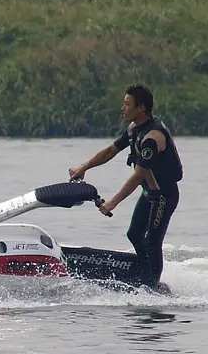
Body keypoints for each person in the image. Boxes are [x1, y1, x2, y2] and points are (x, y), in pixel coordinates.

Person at [68, 84, 184, 288]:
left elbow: (139, 175)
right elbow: (111, 150)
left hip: (164, 196)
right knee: (134, 234)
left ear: (141, 108)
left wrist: (112, 203)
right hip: (150, 194)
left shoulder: (152, 138)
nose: (123, 108)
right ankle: (145, 270)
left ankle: (151, 285)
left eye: (127, 104)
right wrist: (84, 167)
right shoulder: (133, 129)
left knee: (152, 243)